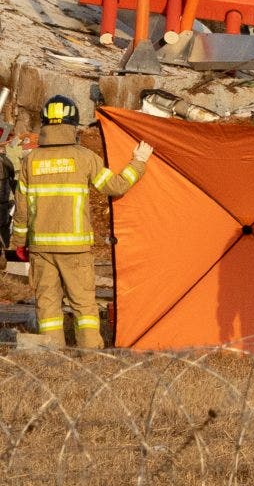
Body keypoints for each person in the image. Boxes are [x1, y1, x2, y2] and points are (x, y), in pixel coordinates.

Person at [10, 98, 151, 347]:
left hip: (41, 250)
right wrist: (138, 162)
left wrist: (19, 243)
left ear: (44, 124)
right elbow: (115, 187)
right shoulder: (84, 157)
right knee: (84, 304)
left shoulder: (30, 161)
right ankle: (90, 354)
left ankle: (52, 353)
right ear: (73, 124)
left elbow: (20, 210)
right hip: (75, 250)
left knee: (48, 305)